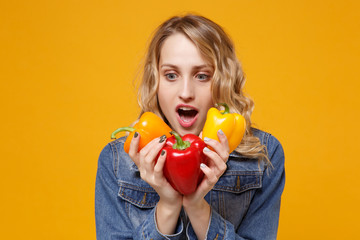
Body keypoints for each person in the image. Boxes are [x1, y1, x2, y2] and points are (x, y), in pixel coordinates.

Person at [95, 14, 285, 240]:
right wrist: (167, 206)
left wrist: (197, 207)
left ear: (223, 81)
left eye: (202, 76)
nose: (186, 92)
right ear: (156, 82)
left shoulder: (264, 156)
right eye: (171, 75)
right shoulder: (117, 161)